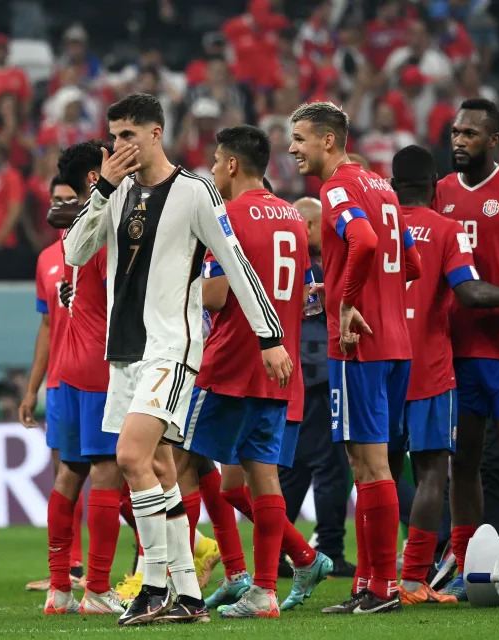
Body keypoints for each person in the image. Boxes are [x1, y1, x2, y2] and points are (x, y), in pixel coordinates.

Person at [64, 94, 291, 626]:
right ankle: (188, 596)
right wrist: (100, 192)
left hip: (171, 348)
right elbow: (74, 253)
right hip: (123, 352)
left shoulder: (195, 191)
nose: (117, 146)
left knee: (129, 458)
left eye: (126, 135)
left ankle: (154, 586)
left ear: (155, 133)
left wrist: (269, 335)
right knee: (162, 468)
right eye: (113, 135)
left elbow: (235, 262)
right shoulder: (114, 194)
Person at [177, 126, 331, 618]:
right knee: (257, 479)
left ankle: (174, 583)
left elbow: (218, 295)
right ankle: (264, 588)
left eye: (215, 163)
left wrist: (169, 295)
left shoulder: (224, 217)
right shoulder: (292, 218)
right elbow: (308, 300)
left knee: (177, 463)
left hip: (228, 363)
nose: (212, 172)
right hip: (277, 366)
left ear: (230, 165)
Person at [289, 101, 422, 614]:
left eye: (300, 139)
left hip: (359, 345)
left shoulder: (338, 187)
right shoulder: (383, 187)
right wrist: (345, 287)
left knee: (368, 466)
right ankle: (367, 583)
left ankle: (382, 588)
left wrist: (346, 304)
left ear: (328, 140)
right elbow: (407, 262)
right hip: (395, 341)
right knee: (371, 464)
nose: (293, 148)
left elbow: (362, 241)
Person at [390, 143, 499, 605]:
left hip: (381, 365)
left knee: (379, 473)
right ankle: (428, 573)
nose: (460, 139)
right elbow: (467, 291)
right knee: (438, 470)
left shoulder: (376, 225)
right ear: (432, 186)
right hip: (438, 363)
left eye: (469, 131)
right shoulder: (444, 224)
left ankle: (377, 578)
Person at [432, 98, 499, 601]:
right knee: (461, 462)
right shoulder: (440, 193)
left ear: (493, 141)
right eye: (455, 133)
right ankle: (465, 565)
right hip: (456, 350)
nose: (459, 141)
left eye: (469, 134)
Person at [41, 142, 127, 616]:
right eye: (115, 158)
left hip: (70, 363)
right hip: (101, 365)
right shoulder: (104, 222)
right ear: (97, 177)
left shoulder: (77, 223)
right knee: (108, 473)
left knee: (69, 473)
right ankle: (96, 588)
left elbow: (63, 212)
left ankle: (59, 590)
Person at [278, 197, 355, 579]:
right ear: (308, 227)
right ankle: (329, 548)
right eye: (322, 225)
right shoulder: (313, 269)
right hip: (318, 375)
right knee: (330, 467)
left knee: (295, 468)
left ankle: (278, 548)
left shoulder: (288, 262)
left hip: (297, 374)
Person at [20, 176, 87, 592]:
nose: (61, 207)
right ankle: (71, 568)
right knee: (66, 470)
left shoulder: (100, 246)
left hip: (99, 372)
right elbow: (47, 326)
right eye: (55, 200)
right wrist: (33, 388)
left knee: (117, 473)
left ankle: (177, 554)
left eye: (69, 199)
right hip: (61, 378)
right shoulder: (46, 258)